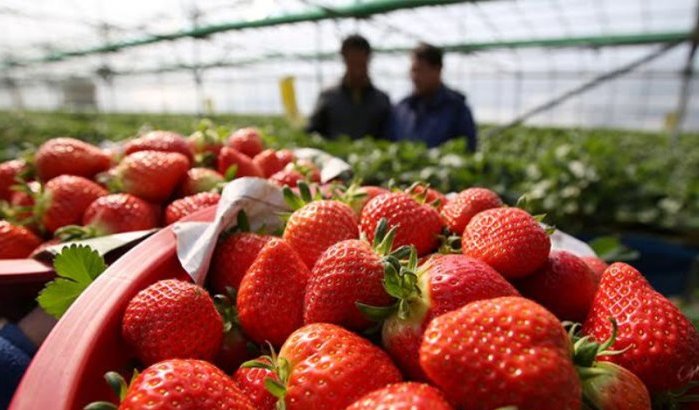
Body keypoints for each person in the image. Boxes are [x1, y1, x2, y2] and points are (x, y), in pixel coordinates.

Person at [392, 43, 478, 151]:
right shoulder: (401, 109)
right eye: (413, 71)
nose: (414, 77)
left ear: (437, 70)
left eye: (420, 71)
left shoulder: (456, 109)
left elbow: (468, 150)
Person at [306, 35, 391, 140]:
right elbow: (312, 132)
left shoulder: (381, 100)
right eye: (352, 62)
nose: (356, 69)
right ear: (344, 59)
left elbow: (389, 137)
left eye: (360, 63)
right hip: (333, 155)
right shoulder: (328, 97)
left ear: (368, 59)